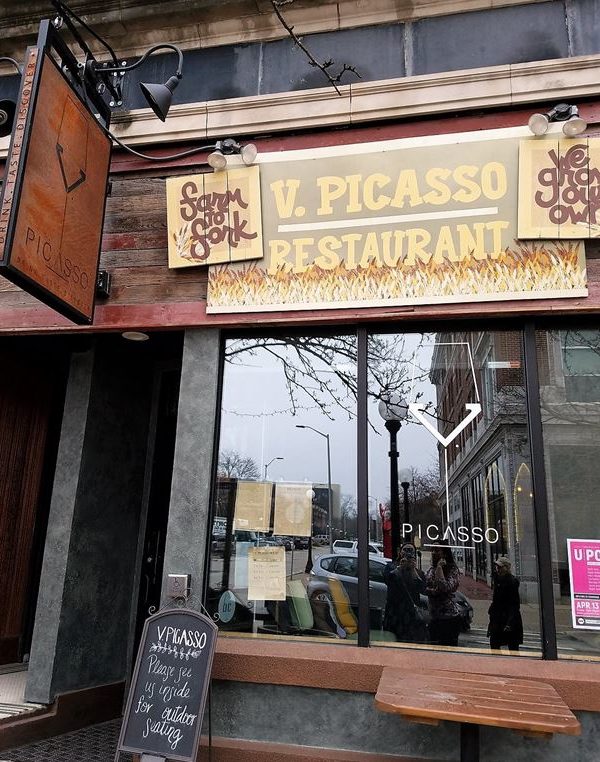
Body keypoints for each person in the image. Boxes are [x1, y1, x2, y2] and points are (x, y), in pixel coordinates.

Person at [383, 543, 427, 643]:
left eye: (410, 550)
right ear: (400, 551)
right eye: (405, 550)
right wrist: (400, 568)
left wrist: (413, 570)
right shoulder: (391, 567)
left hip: (410, 612)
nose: (407, 552)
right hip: (394, 610)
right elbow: (388, 580)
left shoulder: (417, 571)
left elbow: (422, 588)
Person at [425, 543, 462, 647]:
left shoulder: (452, 570)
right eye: (432, 550)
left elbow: (445, 587)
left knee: (447, 648)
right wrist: (434, 591)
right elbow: (424, 587)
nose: (433, 553)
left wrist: (440, 569)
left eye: (437, 550)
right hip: (434, 617)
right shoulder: (431, 569)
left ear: (444, 553)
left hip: (449, 618)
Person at [487, 556, 523, 652]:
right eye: (497, 567)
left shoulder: (512, 582)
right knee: (494, 644)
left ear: (506, 568)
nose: (498, 569)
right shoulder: (497, 579)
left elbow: (514, 604)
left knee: (512, 646)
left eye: (500, 567)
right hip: (497, 618)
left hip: (507, 618)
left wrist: (510, 622)